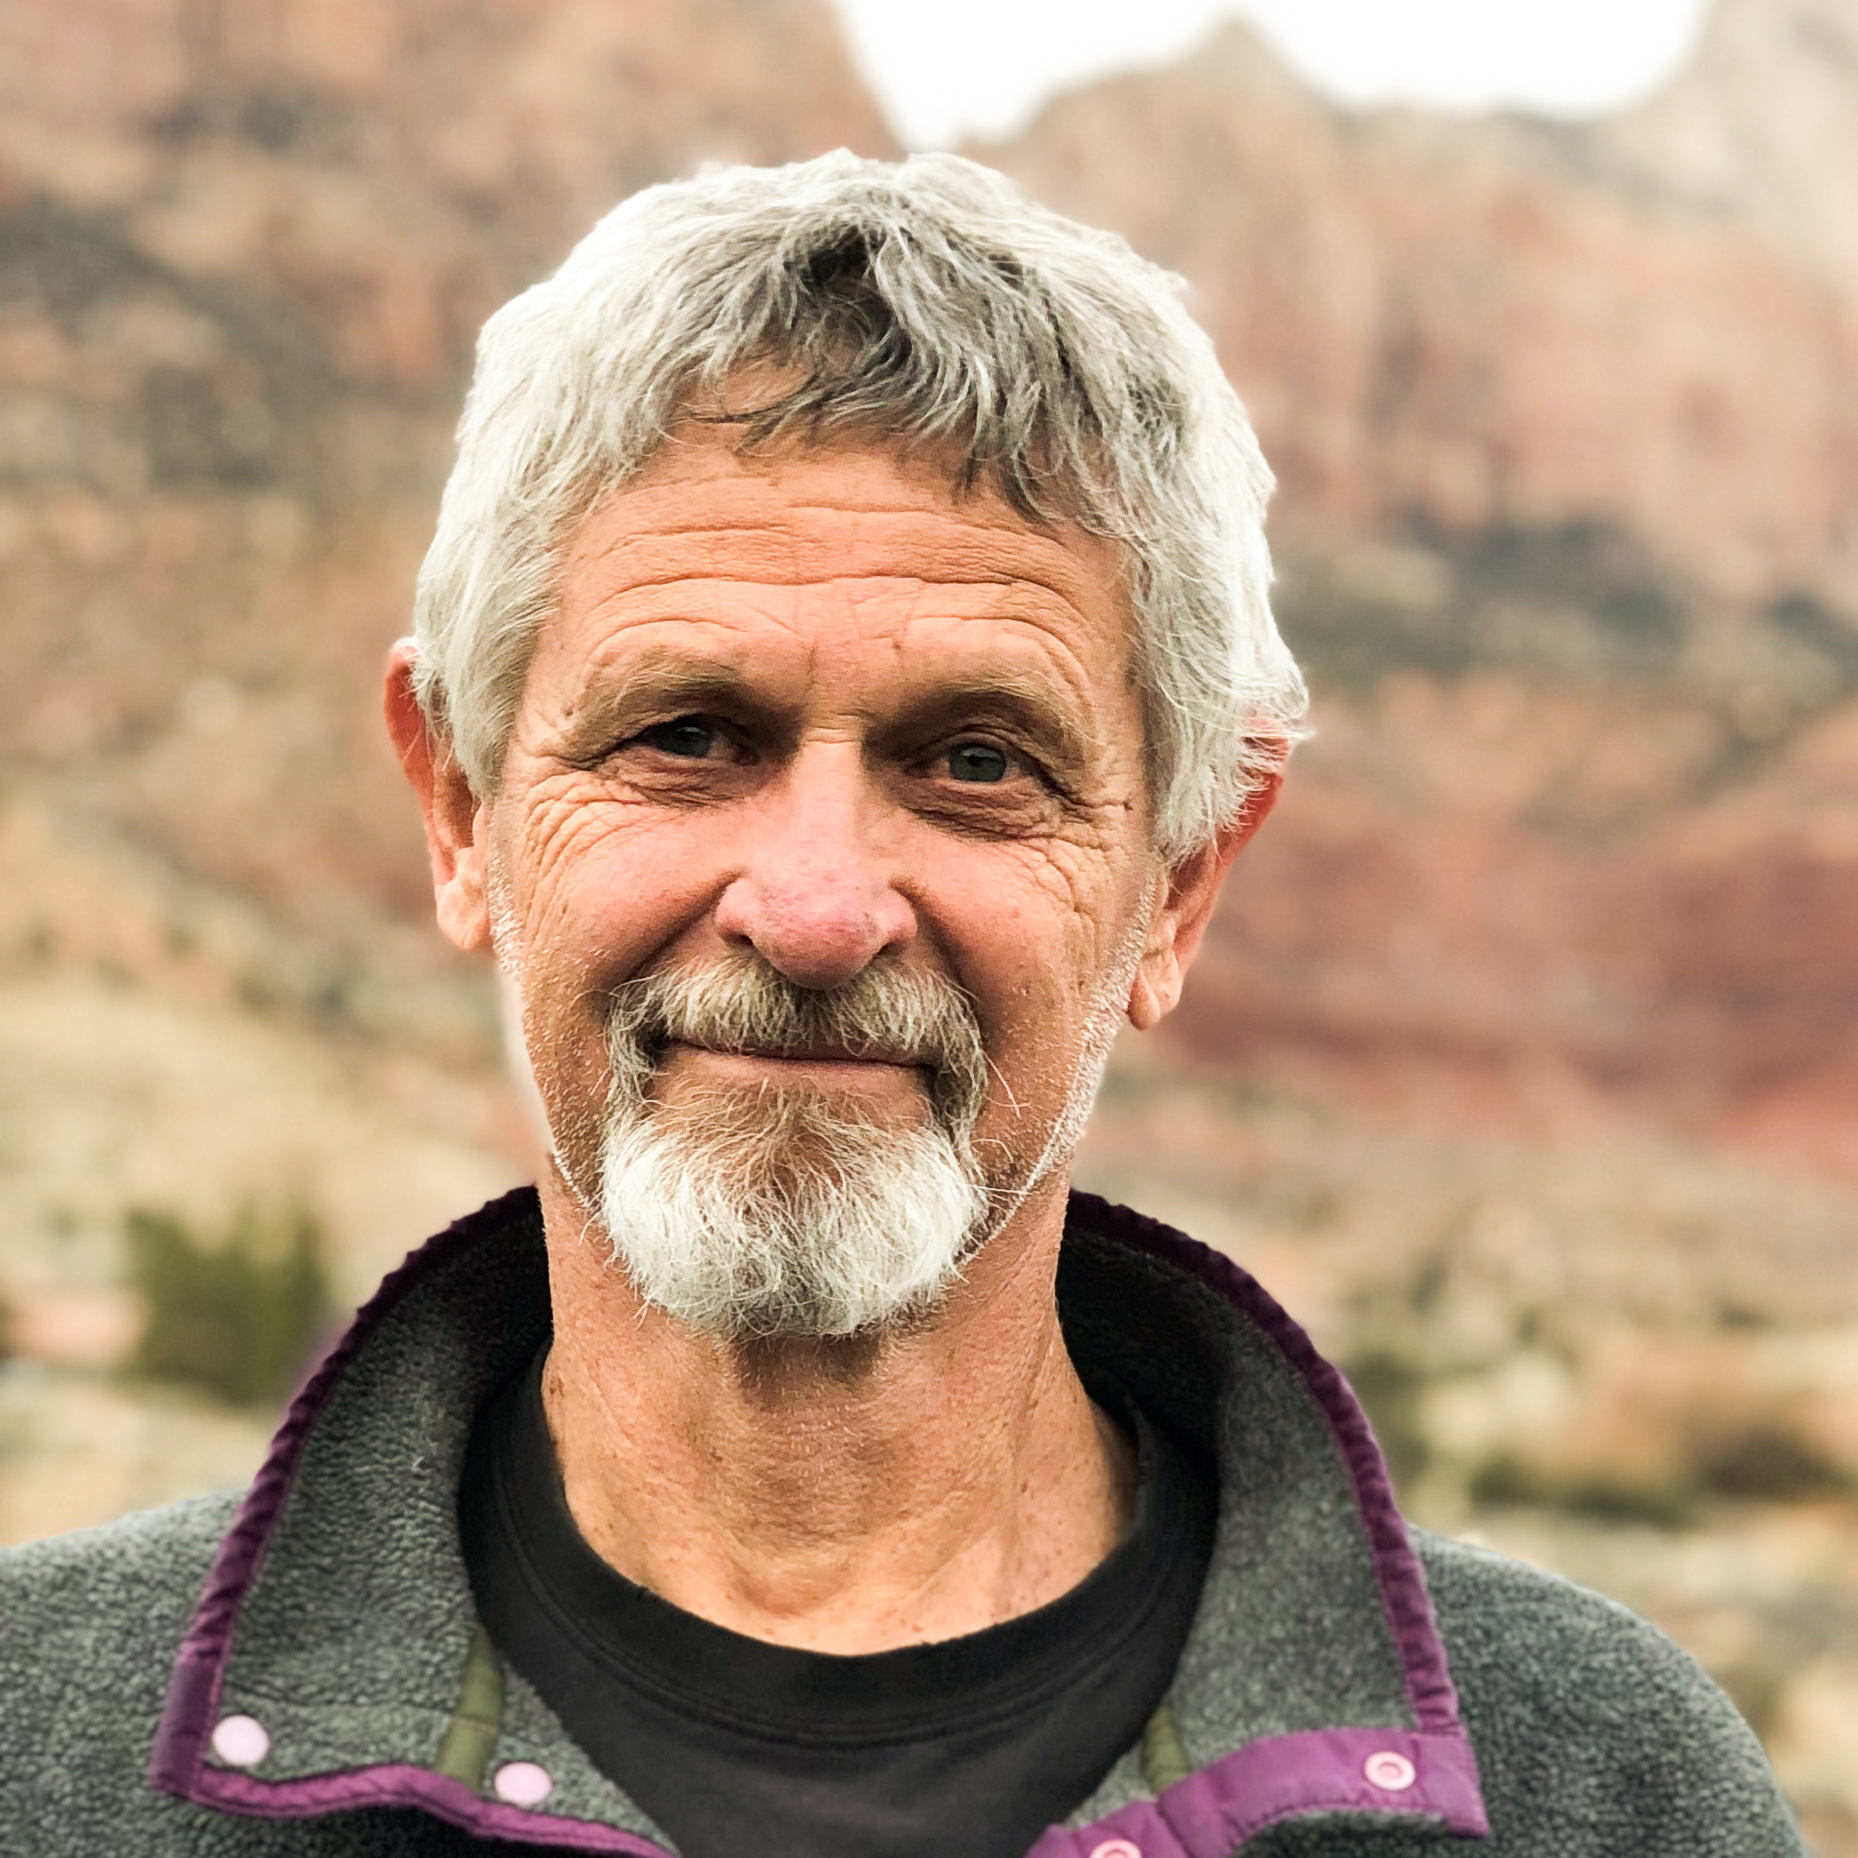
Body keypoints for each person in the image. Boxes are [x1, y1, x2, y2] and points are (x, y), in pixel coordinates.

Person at [0, 152, 1803, 1857]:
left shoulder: (1598, 1780)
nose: (810, 912)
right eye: (688, 735)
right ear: (461, 809)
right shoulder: (36, 1740)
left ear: (1179, 878)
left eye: (975, 758)